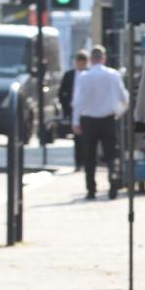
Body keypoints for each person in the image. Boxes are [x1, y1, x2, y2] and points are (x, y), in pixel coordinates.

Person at [72, 46, 128, 200]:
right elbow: (125, 98)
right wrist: (119, 112)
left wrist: (75, 121)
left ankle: (91, 189)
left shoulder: (84, 77)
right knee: (111, 155)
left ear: (91, 59)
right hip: (108, 119)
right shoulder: (113, 75)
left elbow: (78, 102)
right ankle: (113, 185)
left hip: (89, 121)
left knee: (89, 157)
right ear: (103, 58)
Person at [57, 49, 85, 140]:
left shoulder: (90, 74)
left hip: (87, 109)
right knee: (77, 136)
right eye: (79, 61)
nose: (80, 64)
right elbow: (61, 93)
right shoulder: (69, 75)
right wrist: (66, 107)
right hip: (72, 109)